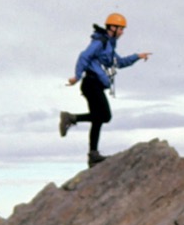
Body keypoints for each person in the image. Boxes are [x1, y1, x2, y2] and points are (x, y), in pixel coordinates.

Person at [59, 12, 150, 167]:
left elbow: (119, 62)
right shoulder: (100, 42)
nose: (122, 32)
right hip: (91, 83)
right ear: (112, 27)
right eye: (121, 29)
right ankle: (71, 118)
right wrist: (77, 76)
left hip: (95, 85)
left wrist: (137, 56)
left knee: (98, 119)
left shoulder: (109, 45)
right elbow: (84, 56)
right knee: (105, 116)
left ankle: (93, 155)